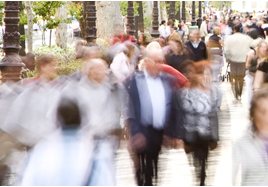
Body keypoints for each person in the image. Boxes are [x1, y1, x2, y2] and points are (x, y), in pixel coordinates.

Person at [124, 51, 183, 186]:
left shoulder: (168, 80)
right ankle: (141, 178)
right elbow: (130, 109)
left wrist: (173, 134)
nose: (158, 65)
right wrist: (135, 132)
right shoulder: (134, 81)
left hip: (157, 129)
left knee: (153, 159)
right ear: (147, 62)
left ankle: (150, 180)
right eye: (155, 61)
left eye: (160, 61)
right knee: (140, 161)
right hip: (141, 128)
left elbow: (174, 107)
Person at [61, 59, 123, 185]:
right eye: (102, 69)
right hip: (81, 143)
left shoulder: (109, 89)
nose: (107, 72)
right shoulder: (75, 90)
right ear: (91, 73)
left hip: (105, 141)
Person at [19, 97, 95, 186]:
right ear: (81, 120)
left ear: (57, 121)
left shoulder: (42, 149)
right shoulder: (97, 149)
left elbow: (28, 181)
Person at [179, 60, 221, 186]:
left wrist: (215, 137)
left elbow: (214, 115)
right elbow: (183, 115)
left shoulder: (211, 93)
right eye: (201, 74)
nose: (203, 77)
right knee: (195, 160)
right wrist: (182, 137)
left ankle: (202, 179)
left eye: (206, 74)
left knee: (203, 160)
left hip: (205, 133)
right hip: (191, 133)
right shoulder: (185, 93)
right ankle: (199, 176)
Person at [224, 23, 253, 100]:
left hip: (233, 60)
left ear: (234, 30)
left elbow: (226, 50)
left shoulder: (230, 38)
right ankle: (239, 91)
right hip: (243, 60)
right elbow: (252, 44)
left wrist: (228, 58)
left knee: (234, 75)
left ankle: (235, 90)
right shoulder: (246, 38)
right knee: (241, 76)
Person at [245, 40, 268, 109]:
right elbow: (247, 65)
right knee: (251, 90)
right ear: (259, 48)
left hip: (263, 77)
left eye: (266, 47)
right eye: (262, 47)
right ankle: (251, 106)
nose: (264, 49)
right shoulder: (253, 54)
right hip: (251, 75)